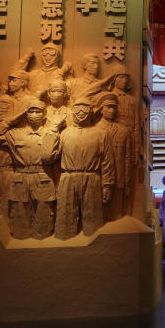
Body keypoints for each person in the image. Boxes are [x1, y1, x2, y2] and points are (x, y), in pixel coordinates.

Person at [54, 97, 115, 240]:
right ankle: (65, 247)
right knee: (65, 217)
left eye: (85, 109)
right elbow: (51, 157)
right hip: (68, 178)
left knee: (93, 220)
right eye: (77, 109)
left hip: (92, 178)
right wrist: (52, 131)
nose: (81, 112)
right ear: (72, 111)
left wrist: (107, 186)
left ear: (91, 111)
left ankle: (95, 245)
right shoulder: (65, 133)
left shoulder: (101, 134)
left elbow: (107, 163)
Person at [5, 98, 60, 239]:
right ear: (26, 114)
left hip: (43, 176)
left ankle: (42, 236)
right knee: (19, 212)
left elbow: (53, 158)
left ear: (44, 115)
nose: (34, 115)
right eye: (31, 111)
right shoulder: (14, 134)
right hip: (20, 178)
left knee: (44, 211)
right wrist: (11, 121)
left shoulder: (51, 133)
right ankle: (21, 235)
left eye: (38, 112)